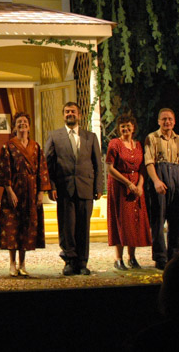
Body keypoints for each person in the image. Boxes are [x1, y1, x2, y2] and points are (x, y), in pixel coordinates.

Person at [44, 101, 103, 276]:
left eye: (73, 111)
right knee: (67, 228)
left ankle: (82, 262)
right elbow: (47, 165)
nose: (70, 114)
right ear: (63, 115)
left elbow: (97, 164)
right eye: (67, 112)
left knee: (83, 227)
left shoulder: (90, 137)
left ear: (79, 115)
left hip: (86, 188)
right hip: (64, 188)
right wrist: (51, 186)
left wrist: (98, 187)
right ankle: (69, 261)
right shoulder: (54, 136)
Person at [0, 112, 52, 277]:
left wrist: (41, 192)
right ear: (14, 127)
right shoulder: (8, 146)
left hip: (31, 192)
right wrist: (9, 191)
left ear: (29, 126)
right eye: (19, 122)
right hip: (14, 191)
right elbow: (4, 170)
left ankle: (23, 264)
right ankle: (12, 263)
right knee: (12, 227)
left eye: (25, 122)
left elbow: (42, 169)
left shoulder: (36, 147)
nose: (22, 124)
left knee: (27, 227)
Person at [144, 108, 179, 270]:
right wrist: (156, 181)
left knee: (176, 220)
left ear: (174, 121)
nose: (167, 122)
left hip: (176, 176)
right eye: (164, 119)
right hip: (160, 175)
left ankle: (174, 255)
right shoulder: (152, 138)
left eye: (170, 119)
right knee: (158, 220)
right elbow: (149, 162)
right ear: (159, 121)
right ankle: (160, 257)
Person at [105, 114, 152, 270]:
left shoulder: (138, 145)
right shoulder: (115, 143)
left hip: (136, 187)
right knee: (121, 221)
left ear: (133, 128)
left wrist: (140, 185)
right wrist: (127, 183)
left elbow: (142, 168)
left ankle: (132, 257)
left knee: (135, 221)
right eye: (122, 126)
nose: (125, 129)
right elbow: (110, 168)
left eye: (128, 126)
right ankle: (118, 259)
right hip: (120, 187)